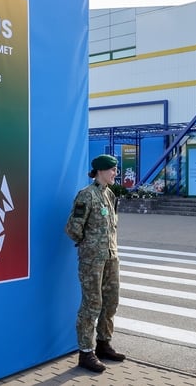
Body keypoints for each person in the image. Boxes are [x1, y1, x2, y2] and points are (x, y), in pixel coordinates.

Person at [64, 154, 126, 373]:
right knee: (92, 304)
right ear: (100, 170)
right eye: (112, 170)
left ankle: (103, 344)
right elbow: (72, 228)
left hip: (111, 256)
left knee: (111, 301)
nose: (115, 173)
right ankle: (86, 352)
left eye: (116, 170)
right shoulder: (86, 196)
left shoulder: (109, 195)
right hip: (92, 260)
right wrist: (88, 246)